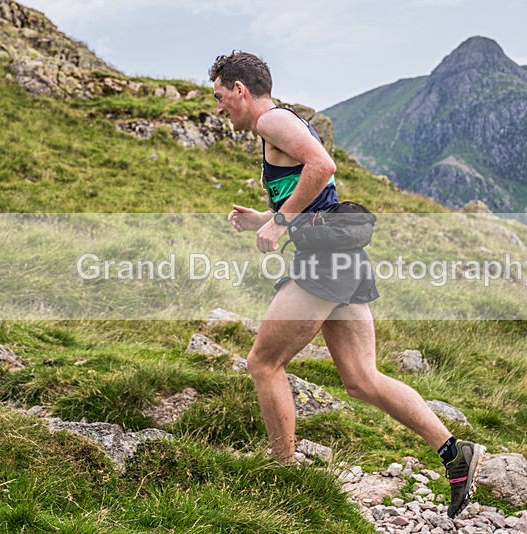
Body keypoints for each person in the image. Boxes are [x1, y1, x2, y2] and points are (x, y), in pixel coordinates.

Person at [208, 51, 485, 518]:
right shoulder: (275, 127)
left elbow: (323, 165)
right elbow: (314, 188)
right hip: (340, 256)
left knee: (263, 362)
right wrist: (266, 217)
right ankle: (454, 453)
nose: (219, 108)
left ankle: (284, 473)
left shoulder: (272, 121)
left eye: (220, 96)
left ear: (240, 90)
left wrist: (280, 223)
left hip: (324, 261)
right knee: (361, 379)